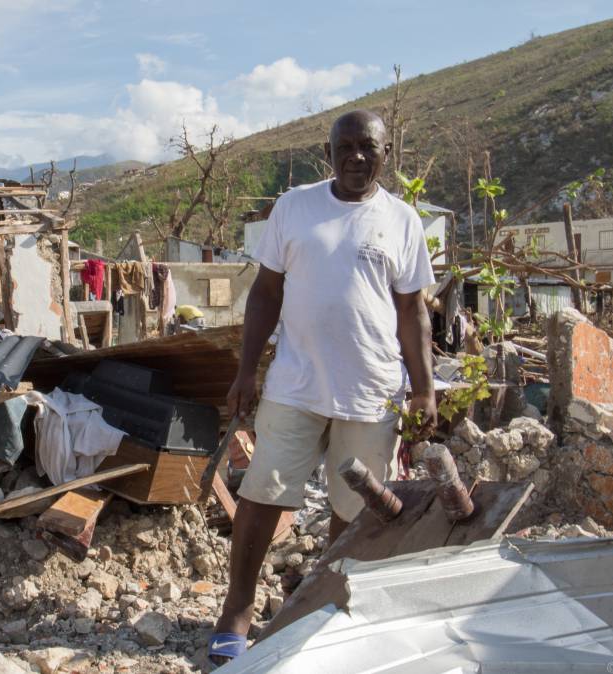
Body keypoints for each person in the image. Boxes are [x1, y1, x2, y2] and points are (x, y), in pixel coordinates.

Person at [207, 109, 436, 665]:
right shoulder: (295, 207)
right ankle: (236, 612)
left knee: (353, 511)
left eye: (370, 148)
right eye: (347, 147)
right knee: (263, 493)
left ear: (387, 153)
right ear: (328, 152)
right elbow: (265, 294)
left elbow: (413, 313)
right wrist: (246, 371)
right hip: (295, 384)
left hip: (372, 390)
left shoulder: (403, 220)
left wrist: (424, 389)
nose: (358, 157)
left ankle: (324, 612)